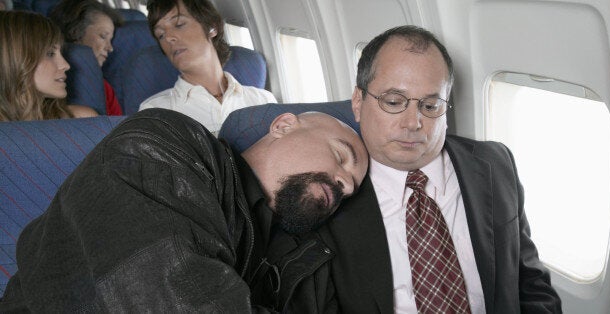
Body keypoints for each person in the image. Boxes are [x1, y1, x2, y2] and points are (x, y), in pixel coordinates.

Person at [0, 108, 369, 312]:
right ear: (283, 125)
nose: (346, 184)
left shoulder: (307, 256)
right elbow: (165, 295)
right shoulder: (165, 139)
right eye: (340, 155)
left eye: (350, 187)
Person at [314, 26, 562, 313]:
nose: (413, 123)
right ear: (358, 102)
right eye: (394, 102)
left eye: (430, 106)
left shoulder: (495, 164)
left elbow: (531, 283)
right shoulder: (330, 191)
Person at [138, 0, 277, 135]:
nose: (168, 37)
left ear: (212, 27)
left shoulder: (263, 100)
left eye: (179, 24)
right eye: (160, 35)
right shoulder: (155, 112)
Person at [0, 11, 97, 121]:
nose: (66, 65)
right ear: (13, 59)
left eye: (61, 53)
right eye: (50, 54)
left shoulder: (82, 120)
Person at [49, 0, 124, 116]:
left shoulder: (104, 88)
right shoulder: (46, 83)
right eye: (103, 36)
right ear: (75, 33)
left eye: (111, 40)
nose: (110, 48)